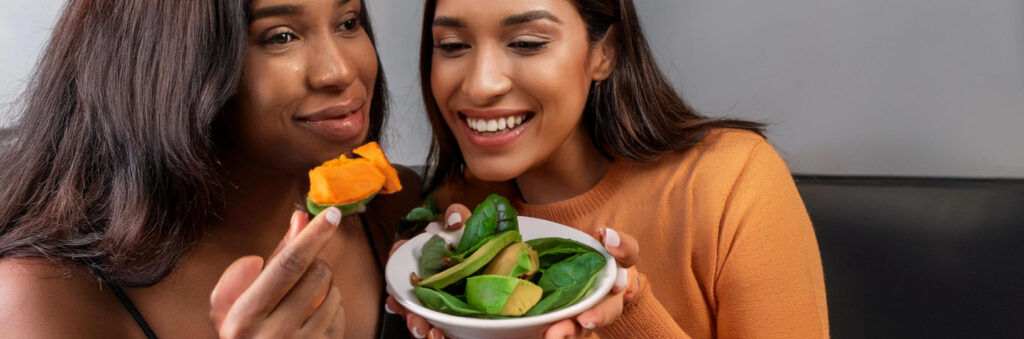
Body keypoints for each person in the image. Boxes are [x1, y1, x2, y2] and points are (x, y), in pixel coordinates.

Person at [386, 0, 829, 338]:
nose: (481, 84)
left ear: (605, 51)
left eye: (527, 43)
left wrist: (628, 312)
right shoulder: (451, 225)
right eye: (452, 46)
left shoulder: (731, 181)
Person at [0, 0, 420, 337]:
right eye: (281, 36)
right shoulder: (40, 299)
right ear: (170, 64)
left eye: (348, 22)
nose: (341, 71)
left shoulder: (400, 211)